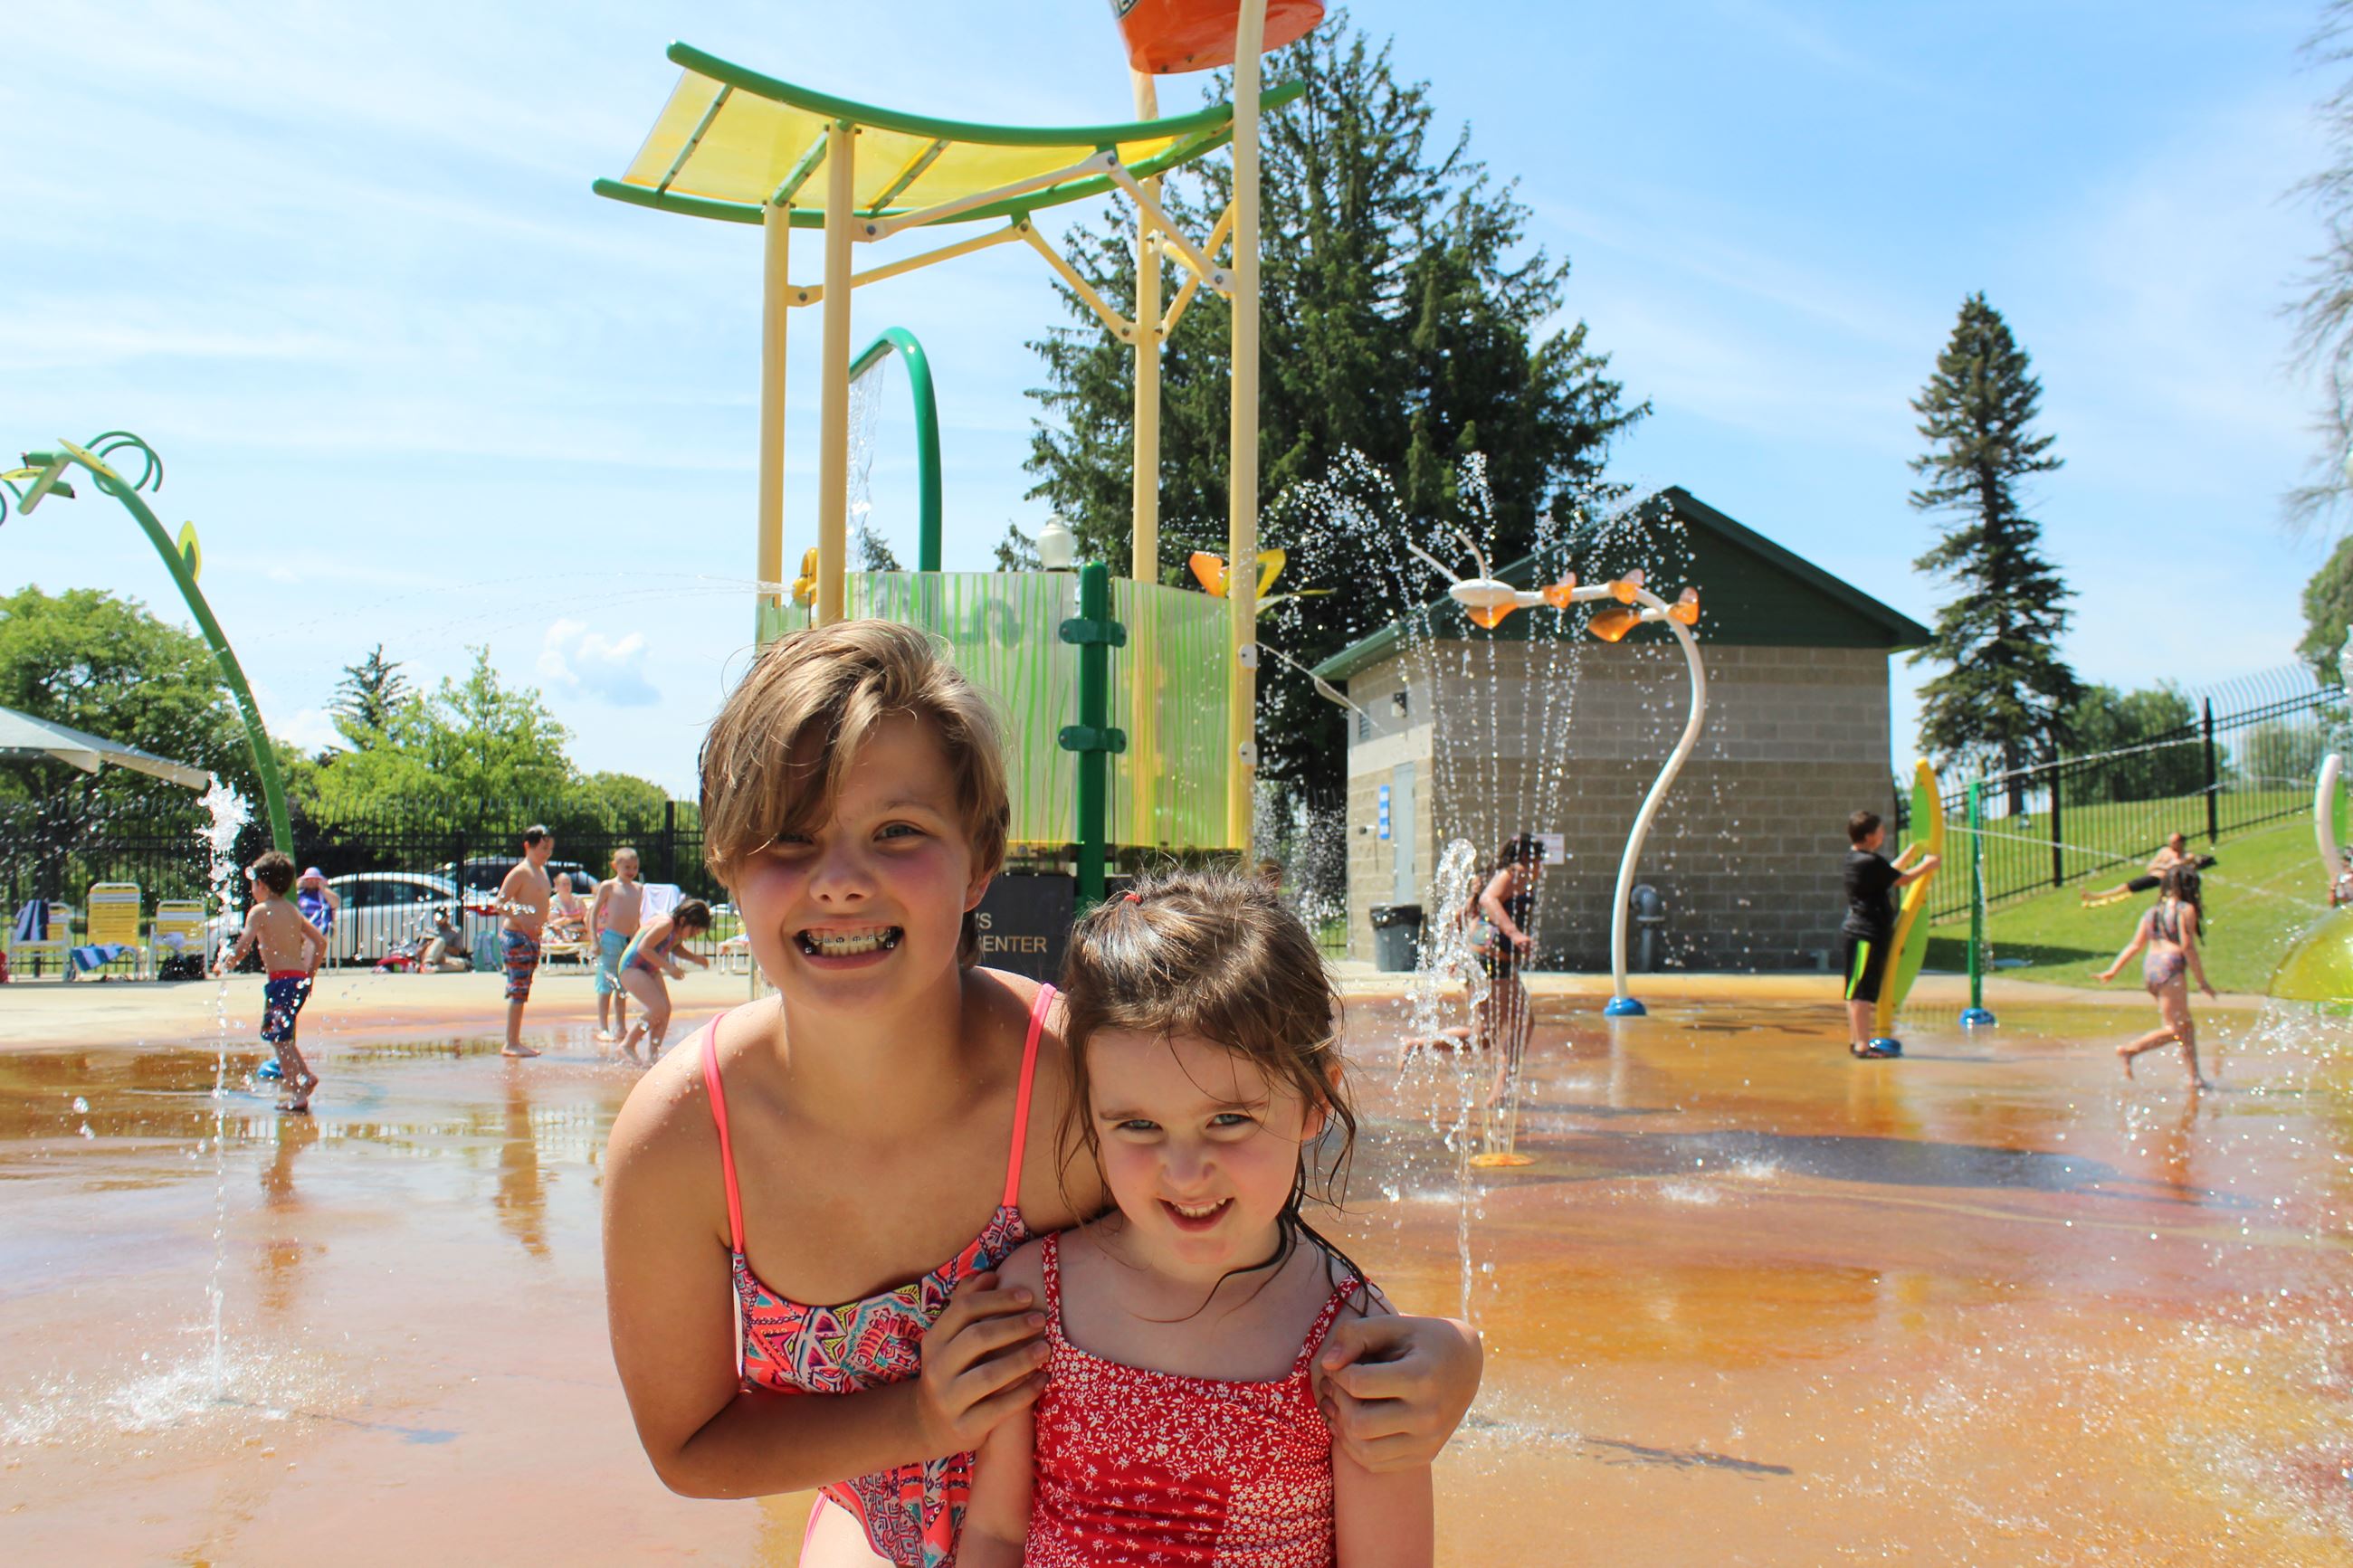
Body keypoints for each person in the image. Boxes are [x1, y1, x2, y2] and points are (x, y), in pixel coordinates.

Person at [600, 622, 1480, 1568]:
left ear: (981, 858)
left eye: (897, 831)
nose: (841, 881)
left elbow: (1257, 1222)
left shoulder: (1077, 1079)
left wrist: (1452, 1357)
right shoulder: (684, 1138)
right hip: (880, 1530)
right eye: (788, 839)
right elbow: (689, 1444)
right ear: (726, 862)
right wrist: (919, 1417)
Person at [960, 870, 1433, 1568]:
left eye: (1229, 1119)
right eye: (1139, 1125)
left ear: (1314, 1102)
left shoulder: (1351, 1343)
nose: (1185, 1173)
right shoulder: (1035, 1297)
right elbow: (998, 1532)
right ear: (1089, 1112)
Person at [216, 851, 329, 1112]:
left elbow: (244, 945)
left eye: (253, 883)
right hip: (298, 981)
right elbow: (320, 942)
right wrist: (309, 976)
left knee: (278, 1039)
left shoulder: (259, 911)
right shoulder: (292, 910)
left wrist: (227, 963)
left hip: (280, 983)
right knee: (283, 1037)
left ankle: (297, 1095)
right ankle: (305, 1076)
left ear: (262, 885)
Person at [2095, 864, 2216, 1086]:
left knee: (2185, 1025)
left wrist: (2113, 970)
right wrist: (2202, 982)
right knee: (2175, 1029)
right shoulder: (2185, 909)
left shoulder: (2151, 912)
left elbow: (2135, 945)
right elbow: (2187, 946)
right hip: (2171, 967)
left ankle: (2195, 1078)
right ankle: (2131, 1050)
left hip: (2151, 967)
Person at [1842, 809, 1940, 1060]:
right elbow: (1902, 879)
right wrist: (1928, 865)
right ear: (1869, 836)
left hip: (1862, 933)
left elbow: (1889, 872)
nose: (1883, 834)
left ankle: (1857, 1042)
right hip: (1865, 934)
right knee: (1861, 993)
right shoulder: (1868, 862)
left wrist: (1910, 854)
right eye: (1880, 830)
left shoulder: (1858, 859)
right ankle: (1862, 1046)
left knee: (1857, 991)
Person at [1473, 834, 1545, 1105]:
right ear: (1528, 857)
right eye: (1539, 860)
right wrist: (1514, 934)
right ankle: (1416, 1045)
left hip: (1498, 961)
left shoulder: (1516, 876)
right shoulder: (1513, 873)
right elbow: (1487, 900)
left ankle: (1502, 1090)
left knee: (1521, 1022)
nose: (1541, 867)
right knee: (1485, 1035)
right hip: (1492, 962)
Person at [615, 898, 713, 1062]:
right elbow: (644, 948)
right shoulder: (666, 924)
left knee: (665, 1010)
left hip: (649, 968)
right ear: (683, 920)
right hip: (632, 967)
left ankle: (653, 1055)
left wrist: (694, 958)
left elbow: (675, 947)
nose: (693, 936)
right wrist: (669, 967)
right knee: (658, 1008)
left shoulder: (676, 929)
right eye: (693, 932)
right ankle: (627, 1044)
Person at [498, 826, 555, 1059]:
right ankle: (511, 1043)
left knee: (523, 988)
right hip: (517, 937)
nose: (547, 853)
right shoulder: (521, 872)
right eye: (543, 848)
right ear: (527, 846)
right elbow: (500, 903)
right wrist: (522, 921)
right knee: (518, 989)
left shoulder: (541, 870)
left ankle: (514, 1040)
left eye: (550, 849)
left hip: (531, 937)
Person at [590, 847, 646, 1042]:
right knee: (606, 984)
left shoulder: (638, 889)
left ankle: (621, 1027)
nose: (631, 871)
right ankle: (603, 1027)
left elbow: (639, 917)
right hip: (610, 939)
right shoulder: (609, 886)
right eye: (627, 867)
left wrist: (639, 941)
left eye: (635, 867)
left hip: (629, 940)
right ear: (615, 866)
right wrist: (594, 940)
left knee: (623, 986)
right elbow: (594, 913)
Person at [2081, 832, 2215, 908]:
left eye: (2174, 842)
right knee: (2129, 885)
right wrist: (2164, 866)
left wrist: (2162, 866)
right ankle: (2098, 895)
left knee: (2130, 886)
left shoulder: (2188, 856)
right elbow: (2151, 867)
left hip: (2161, 879)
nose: (2171, 844)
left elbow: (2175, 867)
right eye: (2171, 841)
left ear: (2181, 843)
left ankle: (2097, 896)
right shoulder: (2164, 851)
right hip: (2155, 876)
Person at [293, 867, 340, 955]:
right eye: (309, 879)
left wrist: (323, 888)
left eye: (315, 880)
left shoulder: (324, 895)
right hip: (301, 927)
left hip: (319, 928)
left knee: (310, 941)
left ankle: (308, 964)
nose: (312, 882)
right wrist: (298, 885)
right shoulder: (300, 894)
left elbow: (336, 903)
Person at [421, 907, 469, 974]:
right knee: (440, 940)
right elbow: (418, 951)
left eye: (443, 917)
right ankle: (428, 963)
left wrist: (443, 947)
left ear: (447, 917)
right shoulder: (428, 931)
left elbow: (457, 952)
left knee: (461, 964)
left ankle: (430, 969)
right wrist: (428, 944)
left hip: (444, 958)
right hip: (428, 955)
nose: (440, 920)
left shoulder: (455, 931)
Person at [548, 871, 589, 944]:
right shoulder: (553, 902)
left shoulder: (578, 900)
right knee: (566, 938)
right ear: (557, 886)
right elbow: (553, 923)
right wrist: (571, 919)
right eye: (564, 884)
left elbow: (587, 917)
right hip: (561, 933)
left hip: (579, 931)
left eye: (568, 884)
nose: (567, 886)